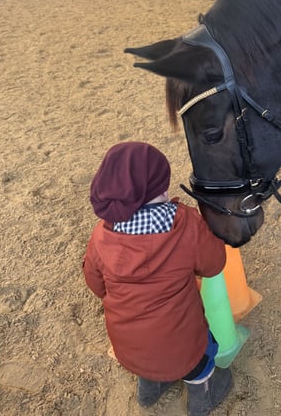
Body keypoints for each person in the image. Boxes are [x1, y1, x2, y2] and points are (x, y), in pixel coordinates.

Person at [83, 142, 233, 416]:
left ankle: (149, 390)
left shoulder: (101, 235)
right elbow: (214, 266)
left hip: (129, 349)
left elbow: (95, 284)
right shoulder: (186, 224)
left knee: (150, 353)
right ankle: (203, 397)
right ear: (158, 189)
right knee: (201, 353)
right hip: (185, 347)